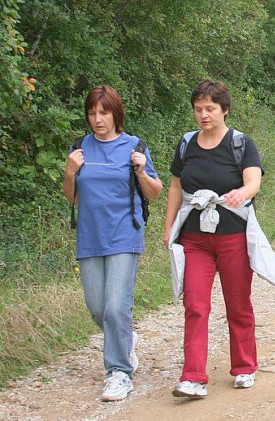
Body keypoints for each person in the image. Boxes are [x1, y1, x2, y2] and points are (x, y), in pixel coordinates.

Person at [163, 79, 263, 398]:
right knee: (195, 305)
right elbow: (177, 187)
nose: (204, 115)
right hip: (194, 238)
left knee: (237, 303)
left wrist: (241, 193)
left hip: (233, 235)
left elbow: (253, 181)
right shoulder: (187, 144)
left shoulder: (240, 143)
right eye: (198, 109)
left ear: (225, 110)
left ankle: (245, 367)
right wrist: (168, 230)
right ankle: (193, 376)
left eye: (210, 109)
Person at [63, 85, 163, 402]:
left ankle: (119, 372)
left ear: (116, 113)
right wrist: (69, 173)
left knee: (116, 306)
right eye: (92, 113)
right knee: (98, 307)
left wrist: (142, 171)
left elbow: (155, 192)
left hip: (124, 234)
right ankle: (125, 337)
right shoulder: (80, 149)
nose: (97, 119)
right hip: (90, 236)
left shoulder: (134, 146)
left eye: (104, 113)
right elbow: (73, 198)